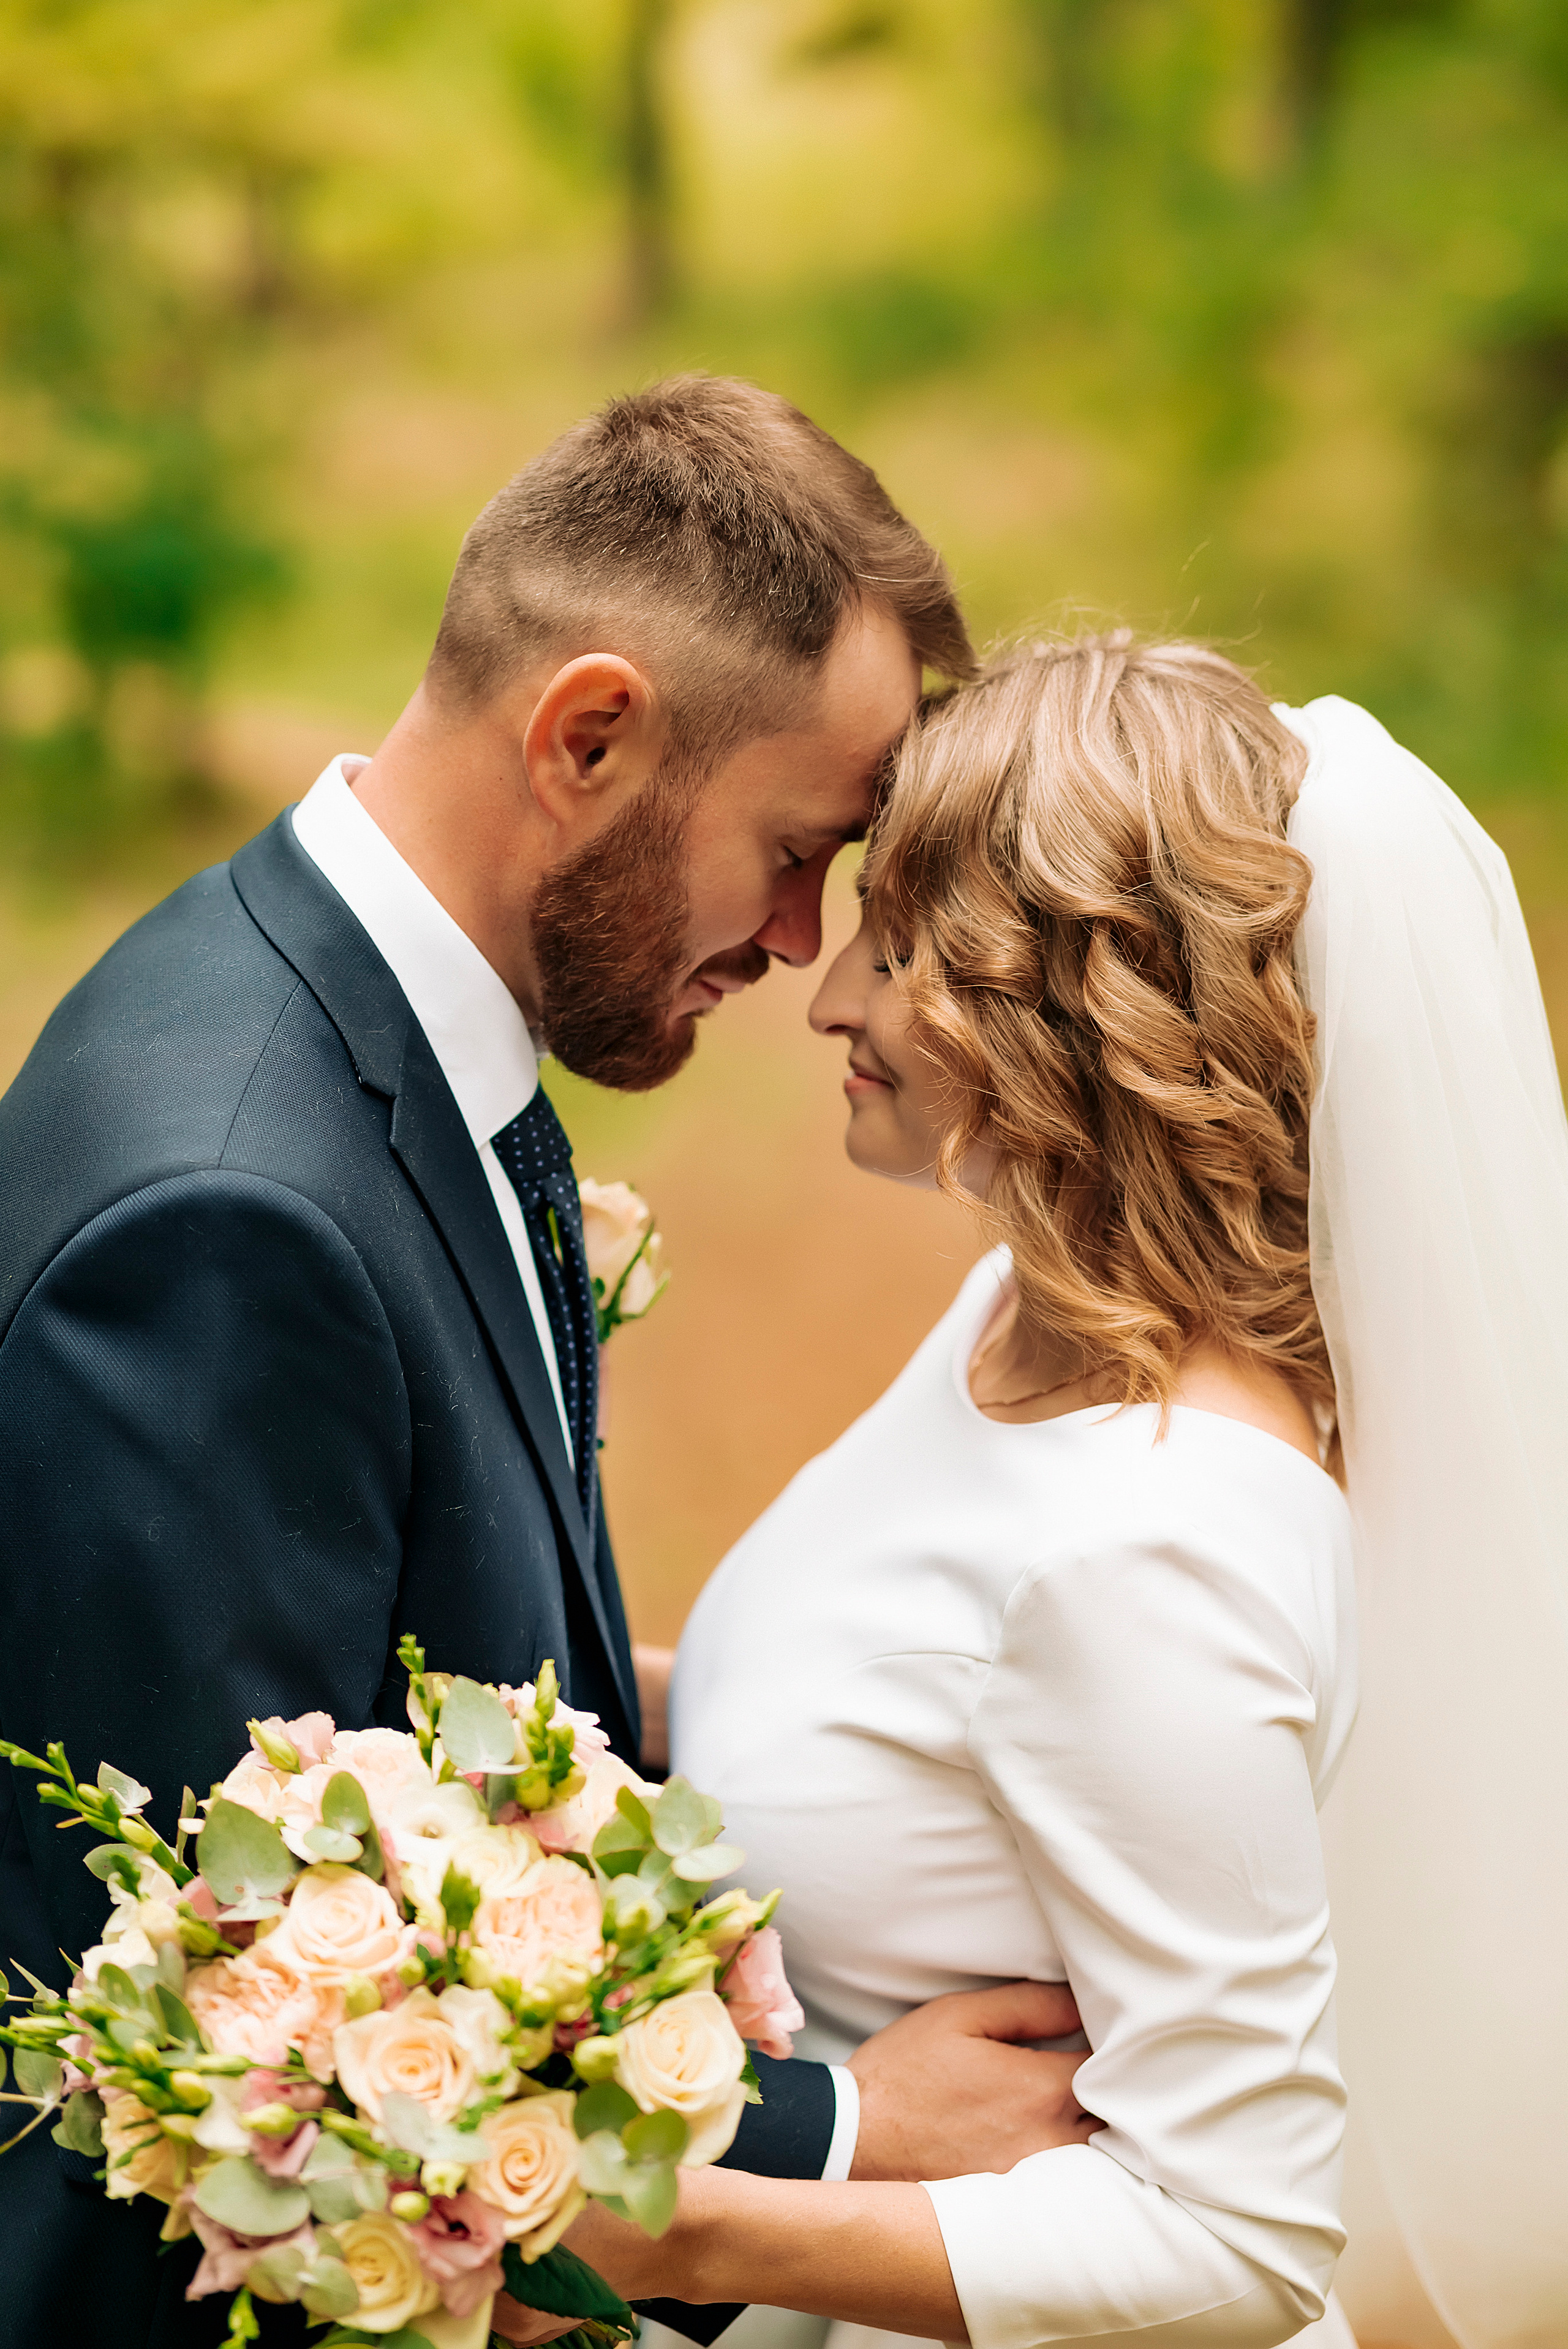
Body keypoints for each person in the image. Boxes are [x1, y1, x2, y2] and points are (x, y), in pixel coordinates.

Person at [0, 379, 1094, 2345]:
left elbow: (401, 1687)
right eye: (790, 846)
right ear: (589, 734)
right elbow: (221, 2043)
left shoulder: (388, 1031)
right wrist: (843, 2123)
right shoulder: (227, 1221)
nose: (795, 937)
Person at [579, 635, 1568, 2349]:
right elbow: (886, 1704)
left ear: (1079, 1010)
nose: (827, 996)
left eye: (907, 950)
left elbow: (1234, 2237)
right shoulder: (1021, 1320)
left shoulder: (1161, 1544)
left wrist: (683, 2232)